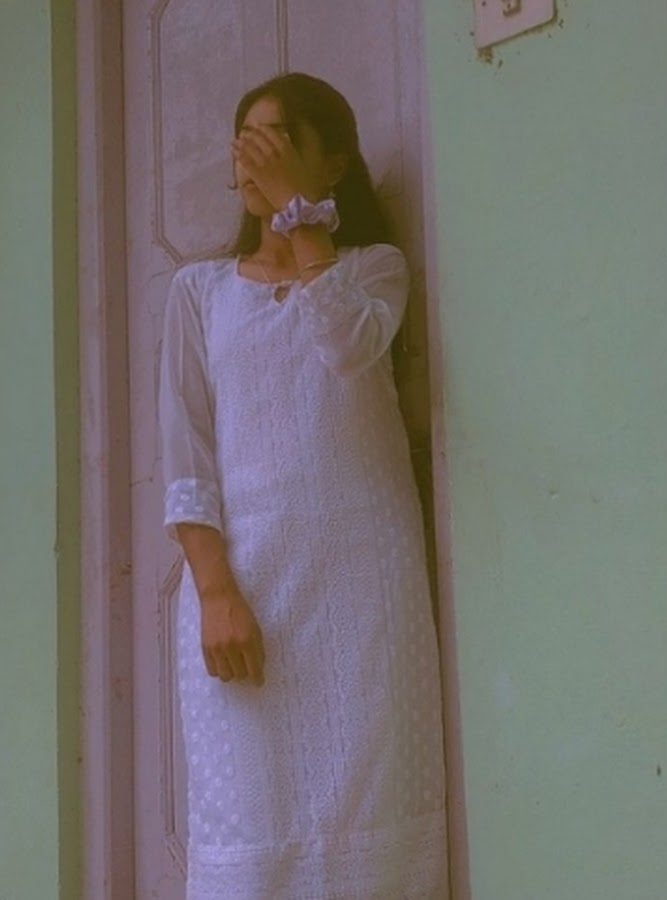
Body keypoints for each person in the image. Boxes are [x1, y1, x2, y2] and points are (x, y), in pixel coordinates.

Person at [159, 71, 449, 899]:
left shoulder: (374, 269)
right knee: (251, 828)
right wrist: (215, 592)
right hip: (245, 592)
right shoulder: (200, 293)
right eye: (245, 139)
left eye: (278, 139)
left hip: (363, 595)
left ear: (334, 162)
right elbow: (185, 458)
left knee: (375, 825)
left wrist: (302, 221)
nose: (253, 157)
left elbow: (348, 347)